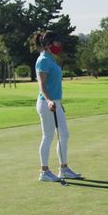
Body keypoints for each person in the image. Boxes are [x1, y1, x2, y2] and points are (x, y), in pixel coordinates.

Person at [32, 31, 81, 182]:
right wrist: (49, 101)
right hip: (47, 103)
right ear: (48, 44)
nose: (59, 46)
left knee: (64, 135)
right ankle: (44, 171)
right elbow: (42, 84)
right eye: (57, 43)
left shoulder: (51, 59)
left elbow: (54, 85)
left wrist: (58, 103)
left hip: (56, 103)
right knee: (48, 136)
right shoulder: (43, 60)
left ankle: (64, 168)